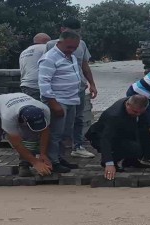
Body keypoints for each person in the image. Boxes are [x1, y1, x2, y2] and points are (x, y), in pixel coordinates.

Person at [45, 18, 97, 159]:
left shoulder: (81, 44)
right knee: (58, 125)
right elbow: (45, 73)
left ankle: (77, 146)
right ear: (62, 30)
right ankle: (54, 157)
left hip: (77, 89)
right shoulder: (51, 45)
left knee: (77, 119)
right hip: (59, 92)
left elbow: (84, 65)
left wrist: (92, 83)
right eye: (71, 31)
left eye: (77, 32)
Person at [0, 93, 52, 177]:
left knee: (31, 137)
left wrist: (43, 154)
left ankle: (25, 165)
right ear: (24, 121)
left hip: (16, 104)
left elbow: (45, 132)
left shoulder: (44, 110)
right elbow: (17, 143)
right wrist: (35, 162)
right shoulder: (8, 116)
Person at [85, 95, 150, 181]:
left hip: (122, 131)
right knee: (133, 148)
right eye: (135, 112)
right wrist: (109, 163)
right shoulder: (114, 116)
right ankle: (111, 161)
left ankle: (131, 161)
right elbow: (106, 139)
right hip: (100, 136)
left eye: (140, 112)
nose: (138, 115)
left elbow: (144, 113)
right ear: (127, 105)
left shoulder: (135, 103)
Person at [38, 29, 83, 174]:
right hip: (58, 100)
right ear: (59, 43)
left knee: (66, 133)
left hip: (71, 99)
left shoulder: (72, 57)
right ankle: (53, 161)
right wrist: (53, 103)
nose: (71, 50)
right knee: (55, 133)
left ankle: (60, 157)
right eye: (69, 47)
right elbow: (43, 83)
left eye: (74, 48)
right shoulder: (49, 58)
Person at [19, 33, 51, 98]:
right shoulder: (45, 48)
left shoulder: (24, 51)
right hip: (38, 86)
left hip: (26, 85)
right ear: (47, 41)